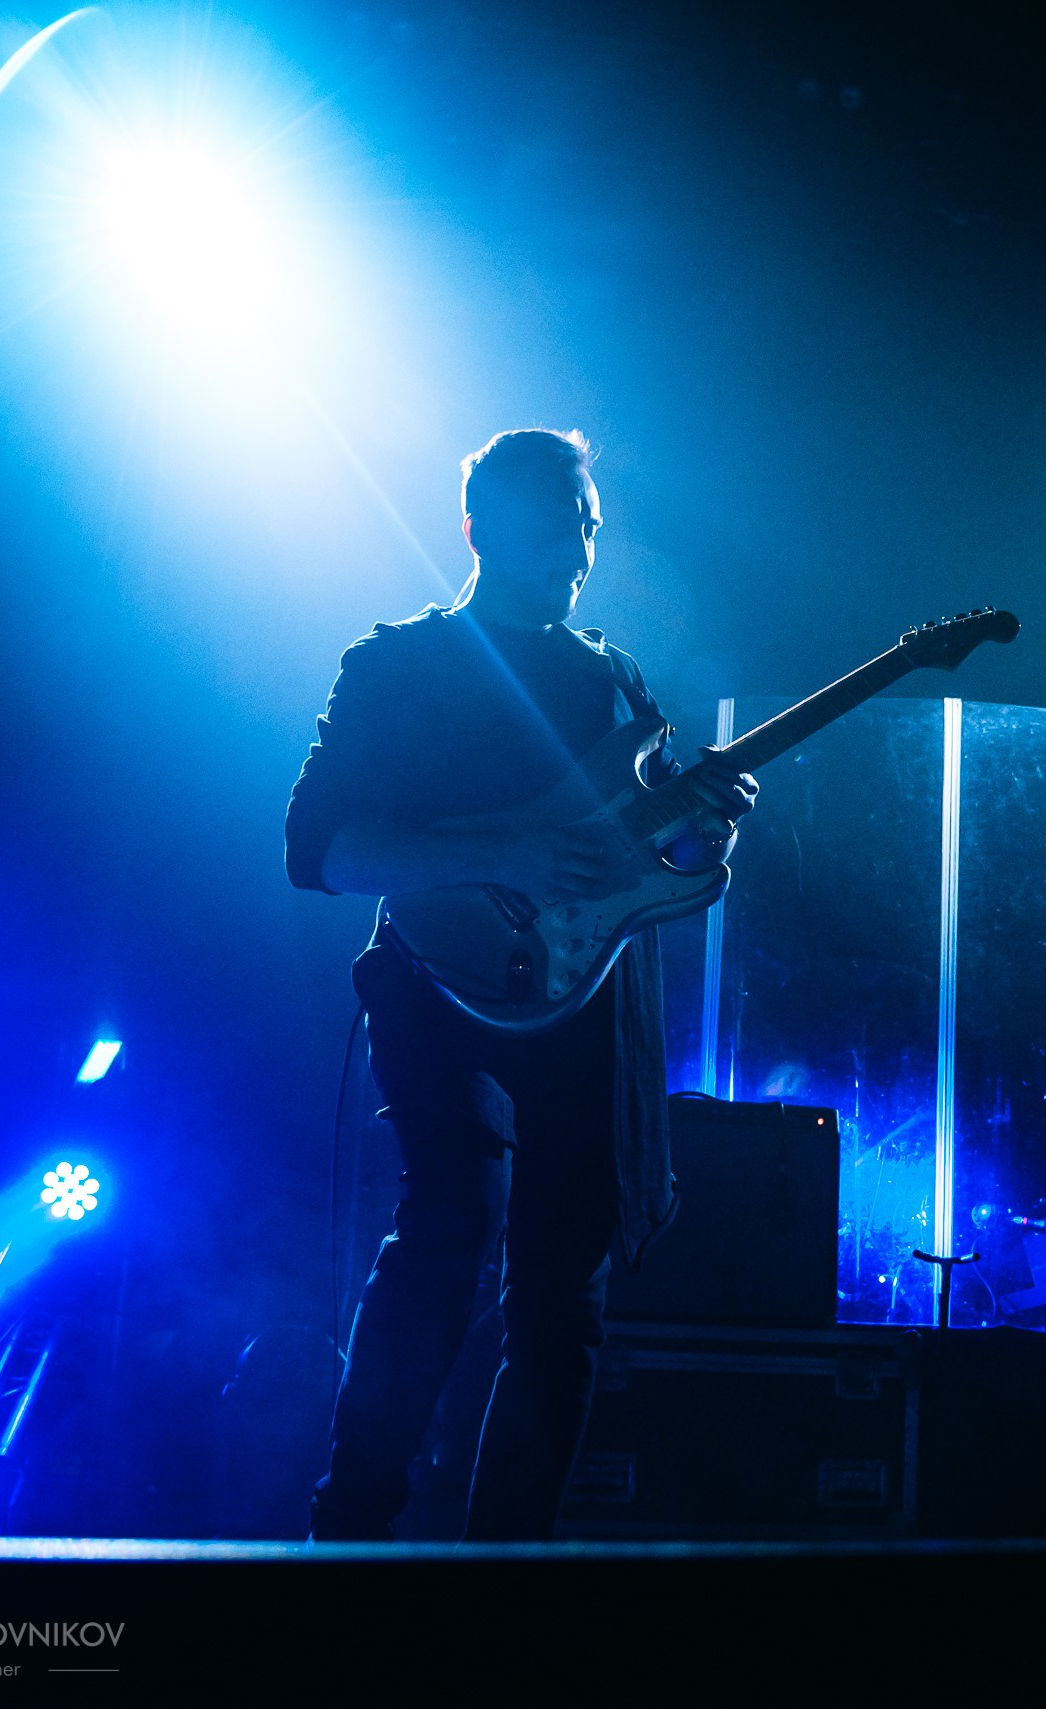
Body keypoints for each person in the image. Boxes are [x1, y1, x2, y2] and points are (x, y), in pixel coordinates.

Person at [285, 427, 756, 1540]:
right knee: (450, 1224)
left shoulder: (615, 682)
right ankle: (347, 1532)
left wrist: (698, 840)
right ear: (479, 525)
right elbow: (319, 850)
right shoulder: (397, 664)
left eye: (590, 524)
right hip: (432, 982)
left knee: (564, 1283)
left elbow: (651, 873)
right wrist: (503, 850)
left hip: (584, 1000)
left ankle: (505, 1567)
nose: (581, 546)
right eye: (559, 519)